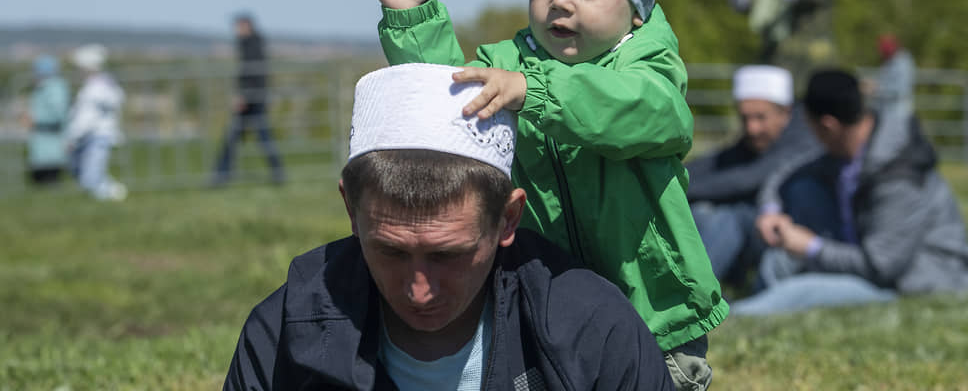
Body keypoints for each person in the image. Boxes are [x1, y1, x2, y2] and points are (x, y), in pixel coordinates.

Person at [353, 0, 727, 389]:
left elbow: (651, 113)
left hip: (653, 309)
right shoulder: (509, 64)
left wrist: (535, 91)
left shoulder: (649, 67)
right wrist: (414, 19)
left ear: (638, 8)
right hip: (552, 304)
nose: (560, 1)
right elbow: (454, 93)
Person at [223, 63, 675, 390]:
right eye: (392, 252)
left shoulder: (588, 329)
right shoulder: (288, 328)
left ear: (507, 219)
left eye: (448, 255)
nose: (420, 290)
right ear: (350, 210)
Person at [730, 69, 968, 316]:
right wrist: (771, 212)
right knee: (799, 200)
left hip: (913, 282)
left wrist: (811, 247)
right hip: (864, 254)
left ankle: (738, 315)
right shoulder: (853, 150)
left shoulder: (899, 176)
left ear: (828, 126)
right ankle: (754, 297)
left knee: (801, 292)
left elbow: (879, 266)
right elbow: (785, 175)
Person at [687, 65, 821, 281]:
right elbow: (719, 161)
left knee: (730, 217)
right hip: (762, 233)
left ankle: (695, 293)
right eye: (745, 118)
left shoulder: (805, 137)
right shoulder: (759, 139)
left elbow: (749, 179)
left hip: (793, 233)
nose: (752, 128)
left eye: (760, 118)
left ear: (785, 112)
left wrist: (678, 186)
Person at [210, 13, 285, 186]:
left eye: (238, 26)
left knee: (256, 138)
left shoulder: (251, 44)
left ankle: (222, 176)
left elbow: (252, 73)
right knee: (246, 138)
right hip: (254, 98)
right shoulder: (253, 42)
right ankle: (222, 175)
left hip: (252, 100)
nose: (236, 30)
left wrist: (243, 95)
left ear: (247, 26)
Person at [65, 44, 127, 201]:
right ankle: (109, 194)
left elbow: (85, 117)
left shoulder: (93, 89)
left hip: (94, 134)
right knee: (91, 172)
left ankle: (114, 194)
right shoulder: (107, 84)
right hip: (101, 133)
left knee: (90, 176)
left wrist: (72, 137)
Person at [23, 55, 71, 185]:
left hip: (51, 136)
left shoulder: (55, 88)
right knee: (40, 175)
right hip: (42, 138)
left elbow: (58, 114)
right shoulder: (42, 87)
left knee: (50, 176)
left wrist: (35, 119)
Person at [867, 33, 916, 116]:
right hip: (887, 110)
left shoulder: (902, 63)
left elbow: (900, 90)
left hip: (898, 111)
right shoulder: (890, 61)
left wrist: (876, 89)